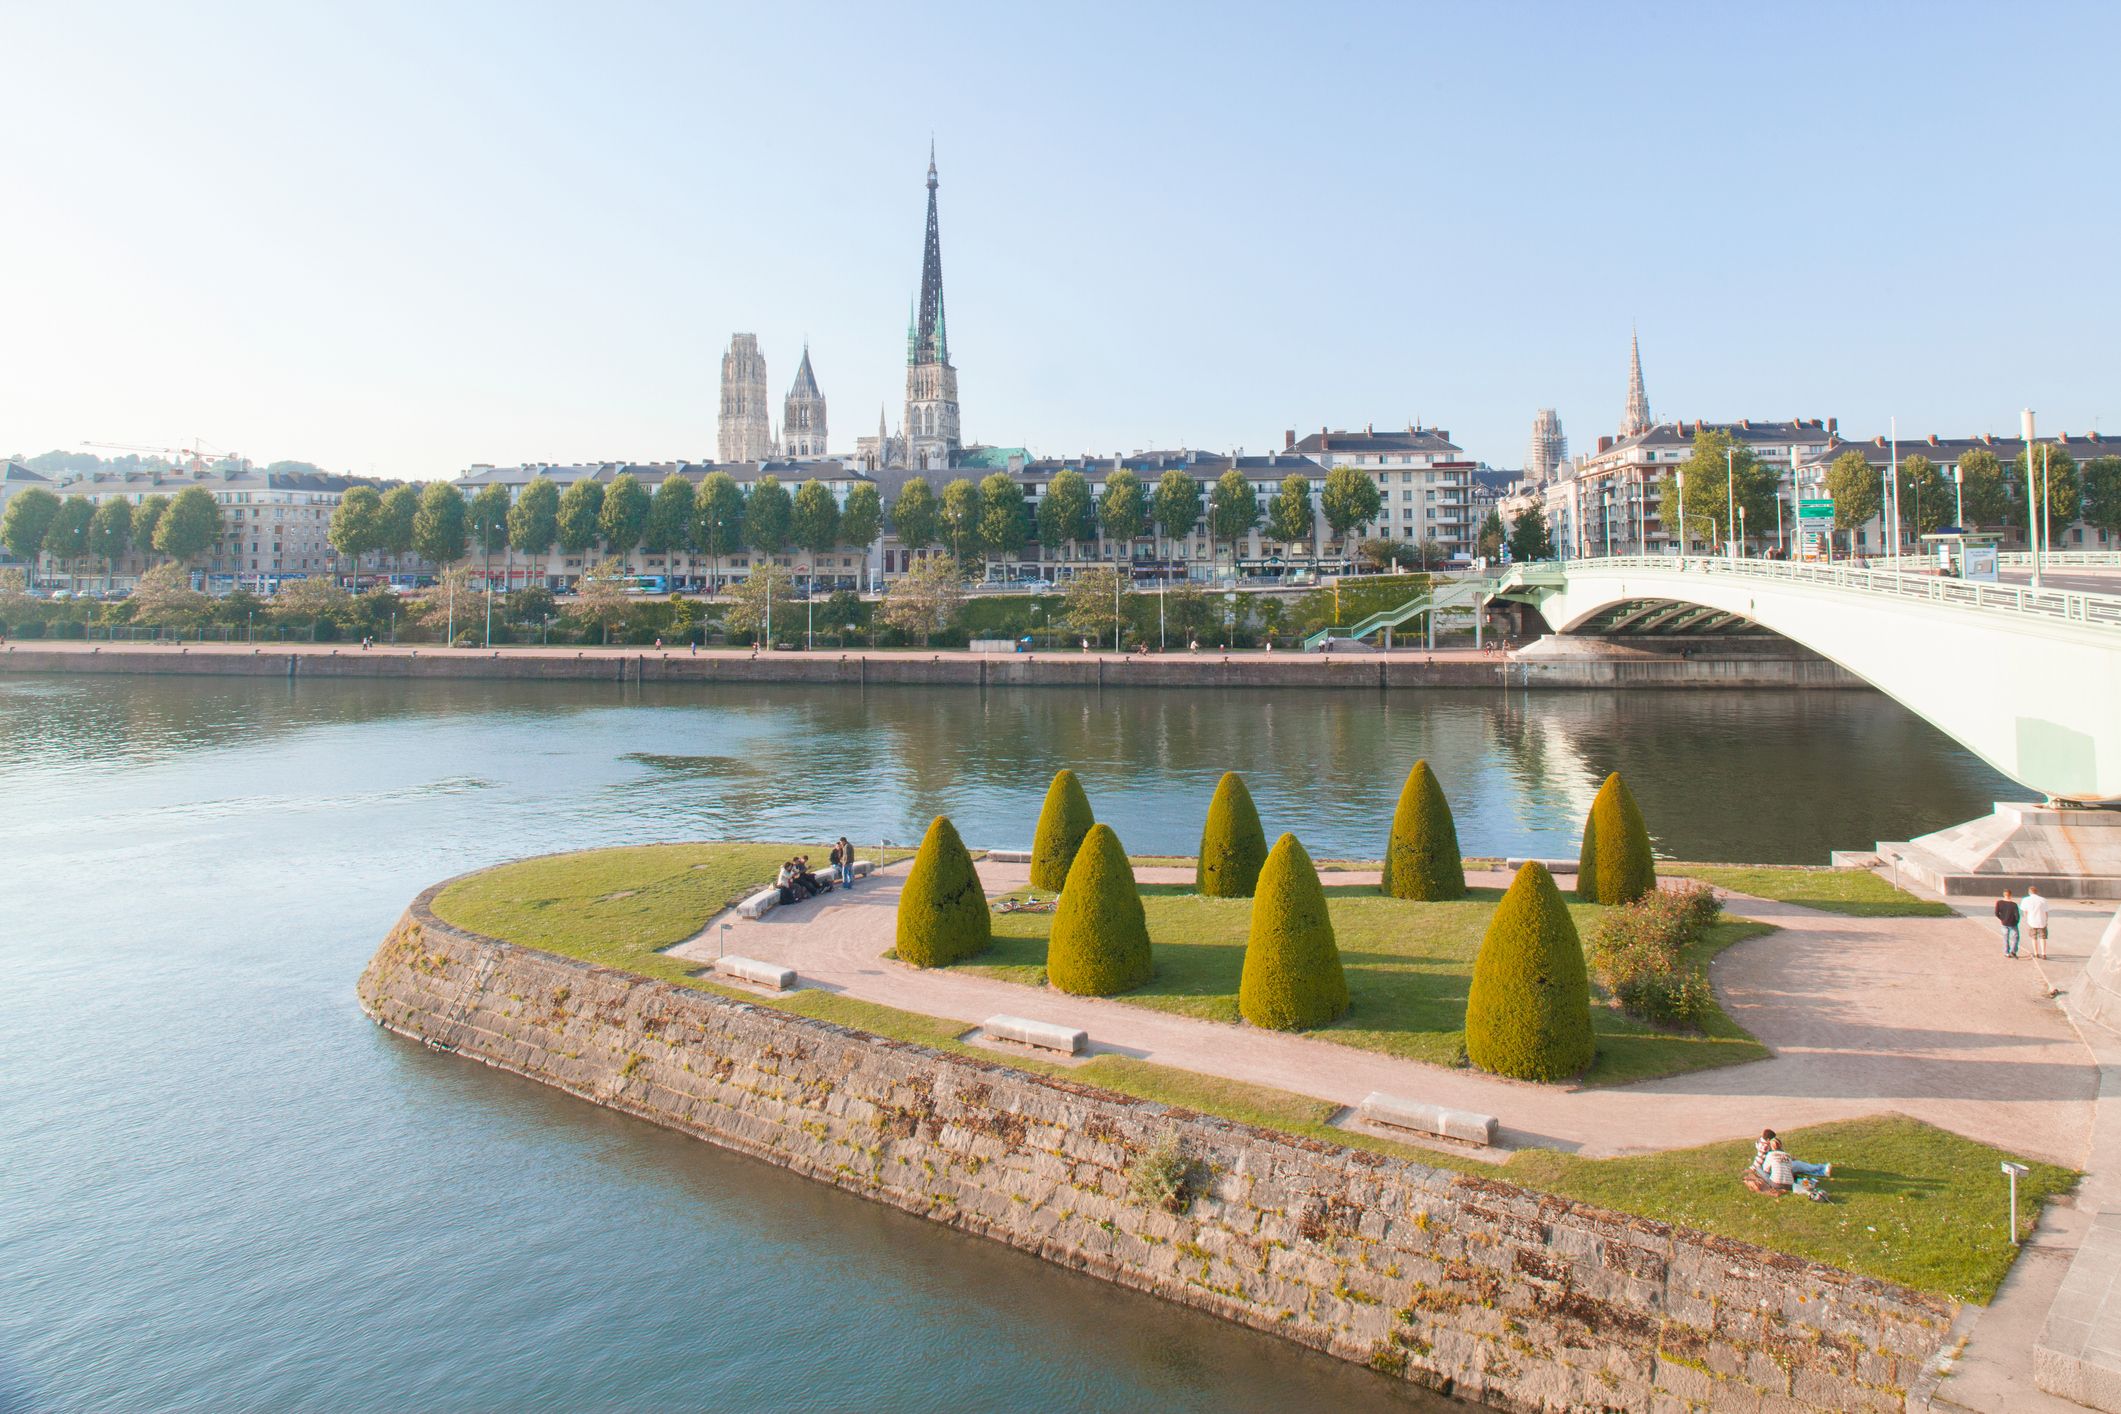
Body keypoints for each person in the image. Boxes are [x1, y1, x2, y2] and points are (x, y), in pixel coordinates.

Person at [1753, 1129, 1830, 1183]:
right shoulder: (1765, 1150)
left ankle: (1820, 1169)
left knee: (1799, 1166)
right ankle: (1821, 1169)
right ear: (1768, 1140)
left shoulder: (1762, 1144)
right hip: (1773, 1169)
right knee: (1799, 1165)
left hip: (1774, 1167)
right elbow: (1762, 1163)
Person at [2022, 885, 2051, 960]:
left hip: (2032, 921)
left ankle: (2036, 953)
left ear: (2029, 892)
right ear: (2037, 892)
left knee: (2034, 938)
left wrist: (2027, 920)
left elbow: (2025, 912)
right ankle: (2044, 953)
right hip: (2042, 921)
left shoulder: (2026, 900)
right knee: (2043, 938)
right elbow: (2046, 912)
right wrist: (2046, 920)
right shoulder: (2043, 900)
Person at [1995, 890, 2021, 958]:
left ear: (2004, 895)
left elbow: (1996, 913)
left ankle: (2006, 952)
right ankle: (2013, 951)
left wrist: (2002, 919)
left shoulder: (1999, 902)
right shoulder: (2014, 904)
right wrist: (2016, 922)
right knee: (2016, 937)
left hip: (2004, 923)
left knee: (2005, 938)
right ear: (2010, 895)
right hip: (2013, 924)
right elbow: (2017, 915)